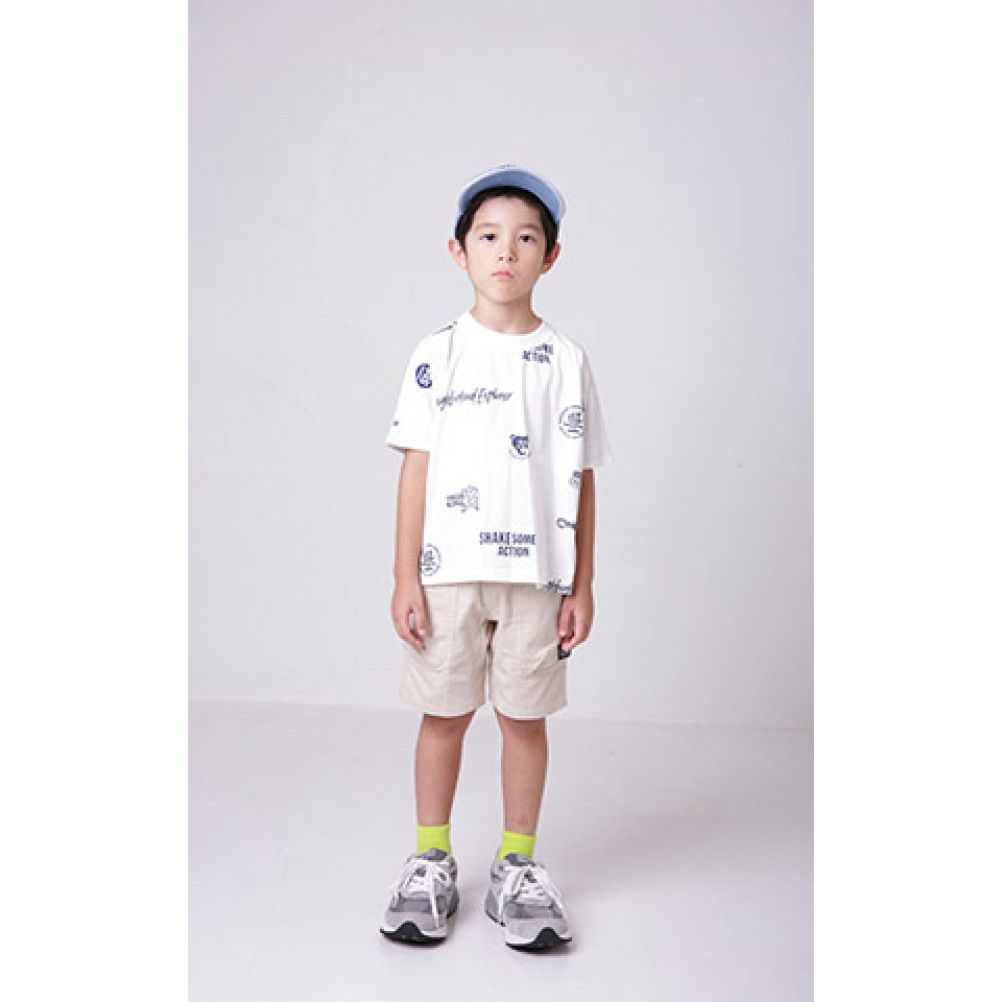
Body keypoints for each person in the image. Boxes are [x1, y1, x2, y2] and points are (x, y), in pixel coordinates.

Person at [378, 165, 613, 951]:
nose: (505, 252)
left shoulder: (567, 360)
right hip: (447, 573)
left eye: (525, 238)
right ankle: (430, 859)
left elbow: (581, 476)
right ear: (459, 250)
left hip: (537, 580)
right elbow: (415, 468)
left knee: (523, 719)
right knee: (443, 715)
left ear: (551, 255)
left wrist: (582, 583)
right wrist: (405, 574)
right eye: (488, 236)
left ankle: (517, 866)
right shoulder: (437, 353)